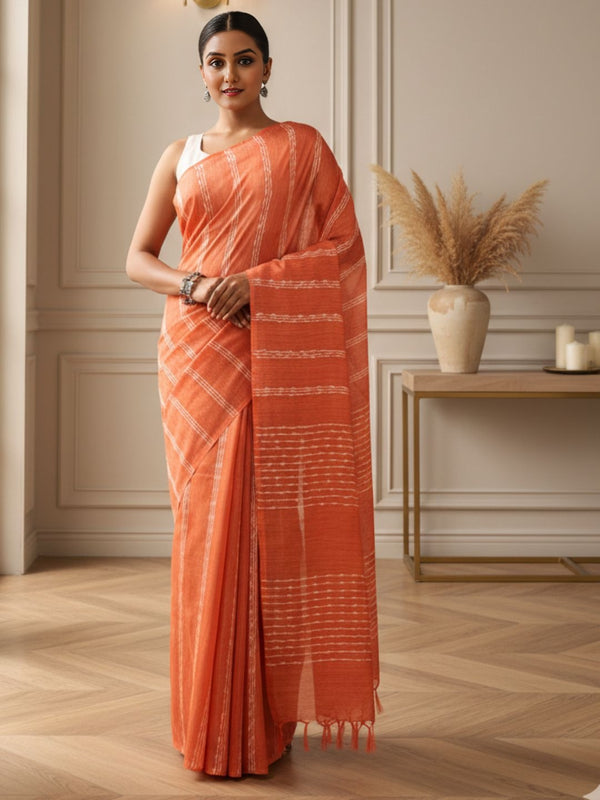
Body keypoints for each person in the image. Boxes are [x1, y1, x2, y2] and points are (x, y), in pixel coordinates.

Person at [126, 10, 379, 778]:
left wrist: (260, 284)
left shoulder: (302, 148)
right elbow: (138, 258)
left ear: (268, 68)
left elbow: (343, 250)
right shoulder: (179, 156)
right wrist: (198, 286)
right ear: (201, 72)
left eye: (244, 59)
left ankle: (253, 725)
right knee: (201, 532)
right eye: (216, 61)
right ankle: (203, 718)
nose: (229, 74)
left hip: (266, 354)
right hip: (193, 357)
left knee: (258, 533)